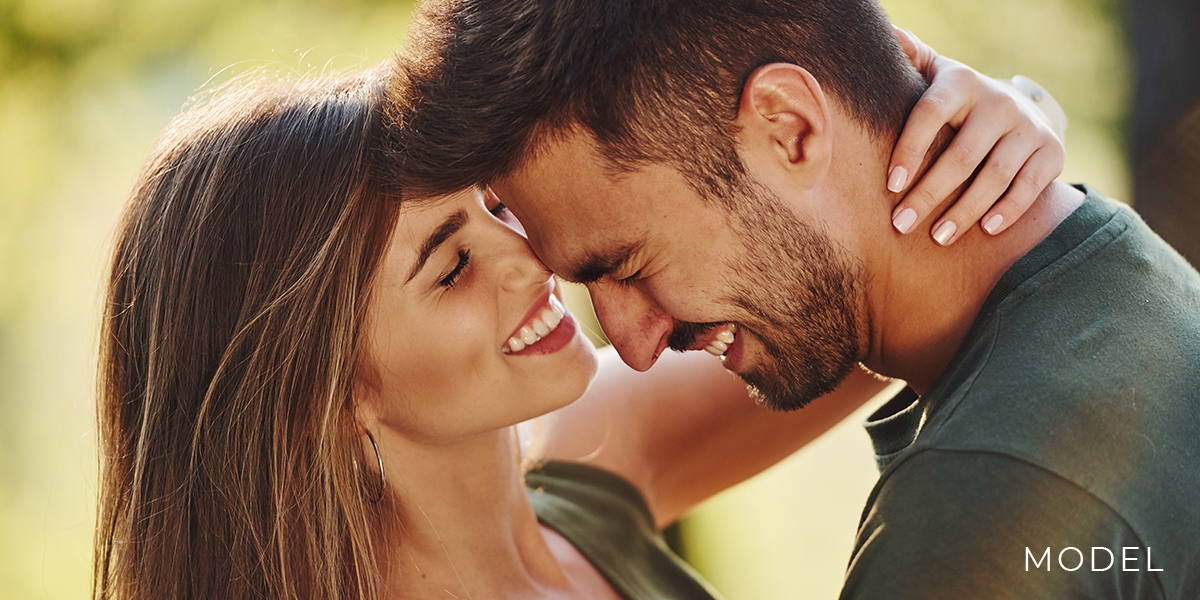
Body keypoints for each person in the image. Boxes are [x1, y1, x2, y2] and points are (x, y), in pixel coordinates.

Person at [94, 30, 1064, 600]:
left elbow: (851, 294)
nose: (528, 260)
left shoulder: (594, 472)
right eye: (448, 268)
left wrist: (1003, 120)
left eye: (496, 207)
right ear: (315, 399)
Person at [382, 0, 1200, 598]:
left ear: (790, 129)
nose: (626, 348)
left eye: (624, 263)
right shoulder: (1116, 274)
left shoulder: (974, 526)